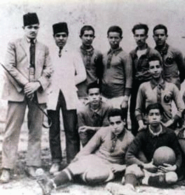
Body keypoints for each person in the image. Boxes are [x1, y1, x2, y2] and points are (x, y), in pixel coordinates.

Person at [0, 12, 52, 182]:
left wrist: (37, 84)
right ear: (24, 28)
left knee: (36, 130)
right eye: (29, 27)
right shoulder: (13, 45)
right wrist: (26, 84)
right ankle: (7, 167)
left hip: (37, 93)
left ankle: (33, 165)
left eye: (36, 27)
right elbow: (9, 67)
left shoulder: (44, 48)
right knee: (11, 131)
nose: (33, 30)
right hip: (18, 93)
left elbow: (48, 70)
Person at [37, 109, 134, 195]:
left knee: (92, 177)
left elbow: (137, 162)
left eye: (118, 123)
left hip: (110, 165)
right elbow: (87, 149)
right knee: (78, 164)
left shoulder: (130, 138)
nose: (115, 126)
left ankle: (66, 176)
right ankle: (50, 185)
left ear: (124, 122)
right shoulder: (104, 131)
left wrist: (122, 167)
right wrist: (76, 161)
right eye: (112, 123)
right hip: (96, 158)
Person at [106, 103, 182, 195]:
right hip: (146, 169)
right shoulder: (142, 134)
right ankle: (128, 188)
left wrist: (174, 167)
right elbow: (129, 155)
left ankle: (142, 180)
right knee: (131, 169)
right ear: (146, 117)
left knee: (172, 177)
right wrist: (145, 165)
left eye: (157, 114)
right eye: (151, 114)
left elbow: (179, 154)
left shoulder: (170, 134)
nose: (154, 117)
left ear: (161, 116)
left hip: (163, 170)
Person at [47, 22, 86, 175]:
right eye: (58, 36)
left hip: (69, 95)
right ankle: (56, 161)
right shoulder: (49, 53)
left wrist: (69, 83)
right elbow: (45, 73)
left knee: (71, 129)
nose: (61, 39)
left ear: (67, 36)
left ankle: (72, 160)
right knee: (54, 129)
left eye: (64, 36)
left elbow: (82, 75)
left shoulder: (74, 53)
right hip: (53, 95)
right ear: (54, 37)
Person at [135, 56, 185, 131]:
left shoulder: (172, 87)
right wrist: (141, 124)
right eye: (152, 67)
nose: (155, 70)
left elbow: (182, 108)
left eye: (157, 67)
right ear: (148, 70)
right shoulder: (143, 87)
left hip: (167, 126)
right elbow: (138, 109)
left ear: (161, 68)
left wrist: (171, 121)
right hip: (149, 126)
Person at [129, 23, 162, 135]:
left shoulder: (153, 53)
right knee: (135, 113)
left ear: (146, 36)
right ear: (133, 36)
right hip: (135, 87)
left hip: (149, 86)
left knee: (150, 114)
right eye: (136, 35)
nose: (139, 38)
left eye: (142, 35)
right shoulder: (132, 54)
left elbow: (160, 71)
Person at [101, 26, 132, 123]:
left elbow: (129, 77)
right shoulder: (104, 55)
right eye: (111, 37)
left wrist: (126, 98)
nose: (113, 40)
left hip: (119, 96)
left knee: (120, 122)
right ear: (107, 38)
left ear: (120, 38)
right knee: (107, 122)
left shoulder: (125, 56)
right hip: (105, 95)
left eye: (116, 38)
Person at [78, 82, 113, 146]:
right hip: (89, 142)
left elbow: (106, 129)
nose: (94, 97)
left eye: (96, 94)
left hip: (104, 141)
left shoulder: (107, 108)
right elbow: (82, 133)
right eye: (91, 95)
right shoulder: (82, 111)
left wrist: (90, 128)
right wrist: (86, 147)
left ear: (100, 95)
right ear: (87, 96)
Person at [153, 24, 185, 89]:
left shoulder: (175, 52)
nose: (159, 37)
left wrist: (176, 82)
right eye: (157, 35)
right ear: (153, 37)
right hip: (158, 88)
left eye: (162, 35)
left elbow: (184, 71)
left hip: (172, 87)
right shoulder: (152, 53)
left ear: (166, 36)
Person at [77, 25, 103, 103]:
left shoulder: (98, 54)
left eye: (91, 36)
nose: (88, 38)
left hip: (93, 92)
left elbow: (100, 75)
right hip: (79, 91)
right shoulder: (75, 53)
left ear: (93, 37)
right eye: (86, 35)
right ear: (80, 37)